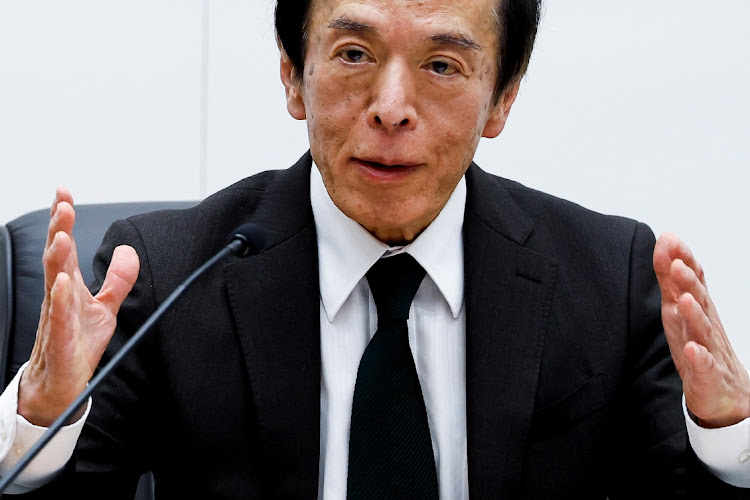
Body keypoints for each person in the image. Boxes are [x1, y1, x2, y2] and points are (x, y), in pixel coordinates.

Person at [0, 0, 749, 497]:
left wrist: (727, 436)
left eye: (442, 65)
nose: (391, 109)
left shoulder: (606, 276)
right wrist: (41, 416)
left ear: (505, 97)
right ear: (294, 75)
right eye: (354, 54)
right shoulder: (170, 273)